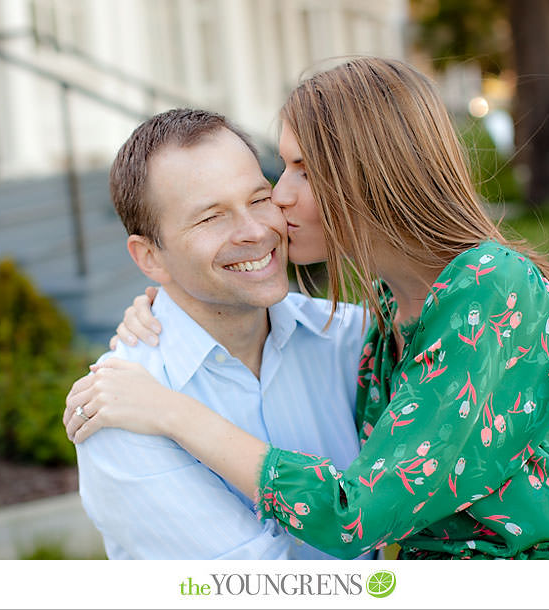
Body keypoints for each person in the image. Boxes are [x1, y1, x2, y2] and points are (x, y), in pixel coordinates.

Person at [67, 57, 549, 560]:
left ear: (373, 173)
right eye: (211, 216)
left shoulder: (486, 292)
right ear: (150, 258)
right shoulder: (382, 317)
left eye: (293, 174)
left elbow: (355, 515)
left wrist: (172, 412)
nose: (276, 204)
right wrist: (163, 308)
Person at [67, 107, 372, 559]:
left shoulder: (350, 338)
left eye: (258, 198)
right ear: (150, 257)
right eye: (211, 217)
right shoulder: (116, 410)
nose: (255, 232)